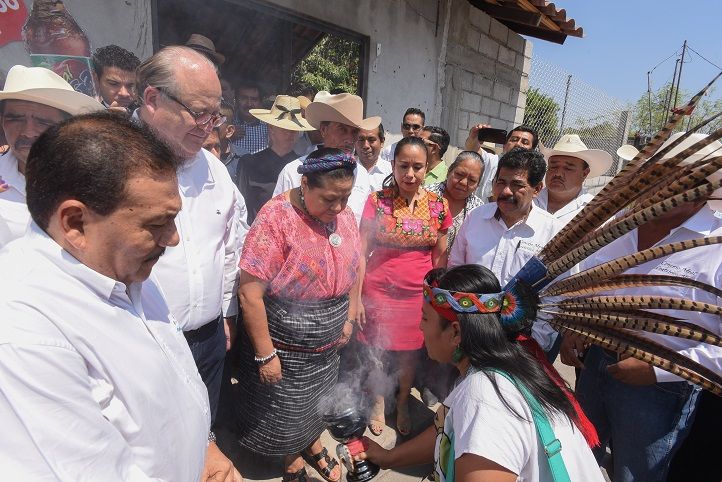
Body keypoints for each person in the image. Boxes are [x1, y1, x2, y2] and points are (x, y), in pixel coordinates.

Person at [0, 112, 240, 481]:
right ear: (75, 223)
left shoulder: (121, 268)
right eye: (157, 223)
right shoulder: (24, 332)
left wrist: (203, 448)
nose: (173, 238)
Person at [559, 132, 722, 482]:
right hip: (593, 363)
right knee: (576, 460)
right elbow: (591, 285)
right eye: (652, 175)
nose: (658, 186)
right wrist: (578, 323)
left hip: (660, 388)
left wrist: (661, 368)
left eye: (674, 176)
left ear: (703, 188)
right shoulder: (618, 228)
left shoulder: (716, 246)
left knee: (635, 476)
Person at [355, 264, 604, 482]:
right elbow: (448, 429)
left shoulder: (486, 402)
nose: (420, 326)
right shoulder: (506, 362)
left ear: (455, 333)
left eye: (425, 318)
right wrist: (388, 458)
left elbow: (475, 428)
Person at [135, 46, 248, 424]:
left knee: (202, 436)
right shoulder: (107, 162)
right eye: (199, 112)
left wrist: (227, 314)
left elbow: (229, 248)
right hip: (140, 346)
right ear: (152, 99)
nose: (208, 126)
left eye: (214, 115)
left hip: (210, 340)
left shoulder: (216, 171)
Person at [237, 148, 361, 482]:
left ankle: (312, 442)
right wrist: (265, 354)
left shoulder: (343, 215)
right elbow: (249, 292)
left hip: (329, 340)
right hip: (285, 342)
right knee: (285, 407)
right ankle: (290, 457)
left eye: (345, 198)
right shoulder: (276, 218)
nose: (338, 208)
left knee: (318, 399)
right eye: (330, 199)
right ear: (305, 184)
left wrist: (348, 316)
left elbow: (356, 262)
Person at [358, 136, 451, 436]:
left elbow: (440, 257)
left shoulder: (438, 206)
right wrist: (356, 297)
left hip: (416, 296)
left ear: (428, 168)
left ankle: (401, 401)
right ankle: (377, 401)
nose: (410, 174)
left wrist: (436, 301)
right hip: (378, 291)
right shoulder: (377, 201)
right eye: (403, 166)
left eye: (418, 167)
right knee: (376, 350)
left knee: (409, 353)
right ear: (393, 165)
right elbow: (361, 252)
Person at [0, 65, 103, 246]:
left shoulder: (96, 180)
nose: (28, 132)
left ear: (66, 127)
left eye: (43, 121)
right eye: (15, 118)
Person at [273, 92, 378, 224]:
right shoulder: (293, 171)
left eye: (354, 132)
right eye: (342, 129)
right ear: (323, 130)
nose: (350, 139)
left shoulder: (361, 174)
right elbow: (277, 220)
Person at [236, 95, 313, 224]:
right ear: (271, 128)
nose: (290, 134)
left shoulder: (305, 167)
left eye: (294, 130)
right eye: (285, 129)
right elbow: (240, 206)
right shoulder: (248, 163)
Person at [535, 134, 613, 226]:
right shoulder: (527, 201)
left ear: (584, 173)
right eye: (553, 166)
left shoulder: (596, 212)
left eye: (568, 168)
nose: (558, 173)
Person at [426, 151, 484, 253]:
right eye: (459, 174)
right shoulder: (426, 195)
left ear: (477, 185)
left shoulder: (479, 210)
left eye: (472, 180)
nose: (463, 182)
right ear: (449, 171)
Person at [465, 124, 538, 202]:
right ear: (504, 145)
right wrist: (474, 137)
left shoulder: (531, 174)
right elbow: (473, 149)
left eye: (525, 142)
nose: (518, 144)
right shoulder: (491, 161)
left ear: (532, 150)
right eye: (514, 139)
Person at [91, 44, 141, 111]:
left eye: (131, 85)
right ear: (96, 79)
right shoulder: (83, 115)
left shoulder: (148, 117)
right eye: (114, 84)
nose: (124, 93)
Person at [233, 80, 268, 154]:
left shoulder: (269, 128)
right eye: (244, 98)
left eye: (254, 99)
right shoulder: (228, 124)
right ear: (236, 100)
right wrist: (226, 137)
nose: (249, 104)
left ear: (260, 103)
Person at [356, 123, 391, 191]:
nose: (366, 146)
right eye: (361, 140)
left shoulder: (391, 172)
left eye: (371, 140)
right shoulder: (348, 170)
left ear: (382, 142)